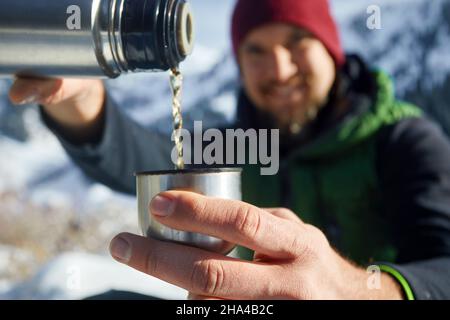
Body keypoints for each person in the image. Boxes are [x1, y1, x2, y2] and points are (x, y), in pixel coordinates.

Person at [8, 0, 450, 299]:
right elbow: (142, 161)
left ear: (331, 50)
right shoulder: (236, 143)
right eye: (256, 50)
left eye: (297, 43)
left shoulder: (402, 138)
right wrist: (82, 102)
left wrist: (354, 289)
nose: (278, 69)